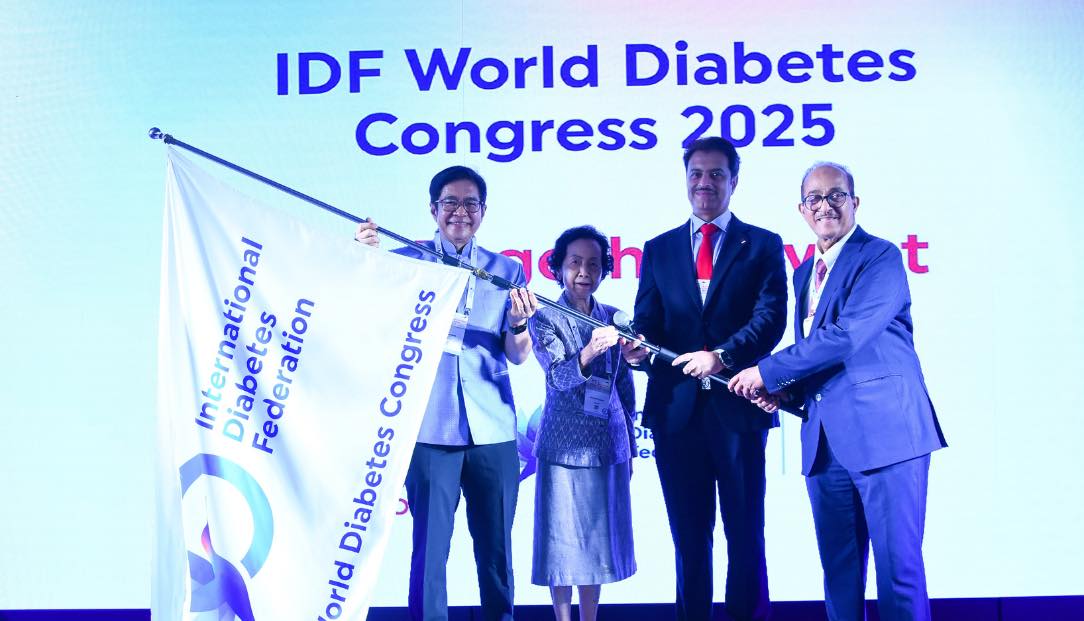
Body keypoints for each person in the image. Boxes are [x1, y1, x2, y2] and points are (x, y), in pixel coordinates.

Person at [728, 162, 947, 621]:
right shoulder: (803, 273)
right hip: (825, 446)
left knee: (899, 575)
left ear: (854, 202)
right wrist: (785, 393)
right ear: (802, 210)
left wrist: (766, 371)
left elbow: (846, 337)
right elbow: (817, 355)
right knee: (839, 578)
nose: (825, 206)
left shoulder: (880, 256)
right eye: (814, 198)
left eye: (836, 196)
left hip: (887, 438)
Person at [355, 165, 538, 621]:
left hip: (493, 429)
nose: (461, 212)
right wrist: (365, 262)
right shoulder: (405, 262)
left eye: (470, 203)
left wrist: (519, 323)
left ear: (483, 211)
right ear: (433, 209)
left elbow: (518, 355)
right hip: (429, 426)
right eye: (450, 202)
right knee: (430, 554)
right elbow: (370, 320)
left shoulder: (506, 270)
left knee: (496, 553)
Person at [623, 136, 787, 621]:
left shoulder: (762, 244)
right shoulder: (659, 249)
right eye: (696, 173)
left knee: (745, 532)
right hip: (675, 415)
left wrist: (721, 357)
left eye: (716, 174)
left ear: (734, 180)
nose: (705, 183)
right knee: (689, 538)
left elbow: (770, 318)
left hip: (738, 408)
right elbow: (647, 322)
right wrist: (637, 351)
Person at [527, 225, 638, 621]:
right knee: (560, 543)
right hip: (562, 446)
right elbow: (558, 377)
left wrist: (630, 443)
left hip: (609, 443)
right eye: (575, 263)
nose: (584, 272)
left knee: (596, 546)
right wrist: (589, 351)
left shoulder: (614, 317)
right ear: (559, 267)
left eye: (593, 264)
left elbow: (624, 386)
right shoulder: (544, 316)